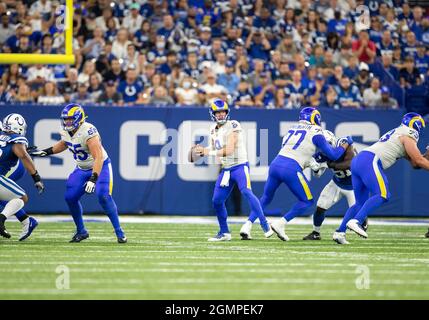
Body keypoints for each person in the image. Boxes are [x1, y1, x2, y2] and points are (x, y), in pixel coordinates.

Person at [29, 104, 127, 243]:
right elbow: (65, 143)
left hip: (101, 166)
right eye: (65, 119)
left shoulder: (88, 131)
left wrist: (93, 179)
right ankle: (81, 231)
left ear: (79, 118)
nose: (67, 122)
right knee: (70, 197)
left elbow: (98, 157)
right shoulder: (65, 131)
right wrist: (46, 151)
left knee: (103, 196)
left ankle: (119, 232)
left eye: (70, 119)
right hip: (81, 168)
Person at [334, 113, 429, 244]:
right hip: (370, 160)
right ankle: (356, 221)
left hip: (358, 161)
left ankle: (339, 232)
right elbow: (418, 160)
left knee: (360, 203)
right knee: (383, 194)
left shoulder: (399, 133)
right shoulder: (408, 135)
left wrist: (427, 156)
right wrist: (423, 158)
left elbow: (415, 162)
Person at [261, 108, 352, 241]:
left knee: (267, 196)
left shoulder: (292, 129)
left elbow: (315, 170)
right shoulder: (317, 132)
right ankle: (280, 223)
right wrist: (345, 144)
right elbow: (333, 154)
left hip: (276, 163)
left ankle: (248, 224)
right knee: (307, 201)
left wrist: (313, 163)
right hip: (292, 168)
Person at [194, 98, 273, 241]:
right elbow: (214, 147)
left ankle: (264, 223)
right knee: (217, 201)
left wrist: (208, 153)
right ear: (213, 114)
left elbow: (229, 149)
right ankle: (224, 232)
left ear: (227, 112)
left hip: (240, 166)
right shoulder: (212, 129)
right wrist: (203, 150)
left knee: (246, 192)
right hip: (226, 170)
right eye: (217, 113)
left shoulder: (233, 125)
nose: (221, 115)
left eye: (223, 112)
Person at [303, 130, 368, 240]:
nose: (325, 147)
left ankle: (363, 219)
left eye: (327, 144)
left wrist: (328, 164)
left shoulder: (344, 143)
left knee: (358, 213)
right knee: (320, 207)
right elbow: (318, 174)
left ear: (333, 140)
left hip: (354, 185)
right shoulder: (322, 154)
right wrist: (315, 169)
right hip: (337, 182)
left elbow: (349, 164)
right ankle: (316, 232)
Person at [0, 114, 45, 238]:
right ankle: (2, 220)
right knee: (22, 197)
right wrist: (37, 178)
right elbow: (23, 155)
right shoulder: (17, 139)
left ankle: (26, 222)